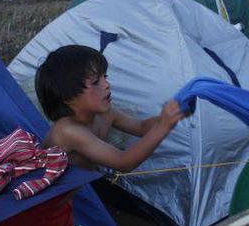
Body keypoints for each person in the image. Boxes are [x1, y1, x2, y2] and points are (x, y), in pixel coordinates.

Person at [36, 44, 185, 173]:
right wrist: (163, 126)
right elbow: (123, 162)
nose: (107, 84)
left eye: (104, 77)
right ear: (68, 97)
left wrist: (173, 113)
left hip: (83, 186)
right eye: (95, 82)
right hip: (53, 197)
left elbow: (141, 127)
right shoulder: (68, 130)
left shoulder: (106, 113)